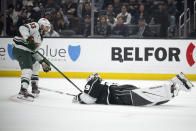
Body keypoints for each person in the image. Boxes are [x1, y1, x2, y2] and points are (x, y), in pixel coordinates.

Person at [73, 72, 194, 106]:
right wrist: (80, 96)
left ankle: (172, 86)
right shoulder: (96, 83)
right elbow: (90, 98)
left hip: (119, 93)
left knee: (144, 95)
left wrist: (79, 97)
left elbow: (89, 98)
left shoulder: (95, 82)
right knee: (147, 98)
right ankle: (173, 88)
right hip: (121, 92)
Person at [12, 18, 51, 101]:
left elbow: (34, 52)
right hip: (20, 49)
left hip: (27, 52)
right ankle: (23, 91)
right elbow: (22, 28)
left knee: (36, 64)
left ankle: (34, 86)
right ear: (42, 25)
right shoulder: (36, 26)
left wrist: (42, 61)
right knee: (28, 69)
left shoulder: (40, 38)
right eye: (46, 27)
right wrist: (28, 38)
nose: (47, 29)